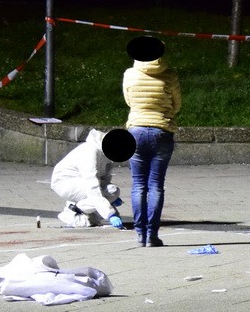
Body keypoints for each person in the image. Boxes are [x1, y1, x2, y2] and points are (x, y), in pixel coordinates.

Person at [124, 35, 181, 247]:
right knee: (156, 186)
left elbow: (129, 101)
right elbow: (177, 104)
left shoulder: (130, 74)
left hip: (136, 131)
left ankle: (139, 235)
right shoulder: (170, 75)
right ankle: (152, 235)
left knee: (138, 185)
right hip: (162, 131)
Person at [51, 128, 125, 228]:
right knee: (110, 192)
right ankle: (73, 210)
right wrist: (110, 213)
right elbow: (92, 185)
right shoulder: (90, 151)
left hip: (77, 181)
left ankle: (78, 210)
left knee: (110, 193)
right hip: (64, 182)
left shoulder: (107, 156)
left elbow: (105, 180)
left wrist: (111, 200)